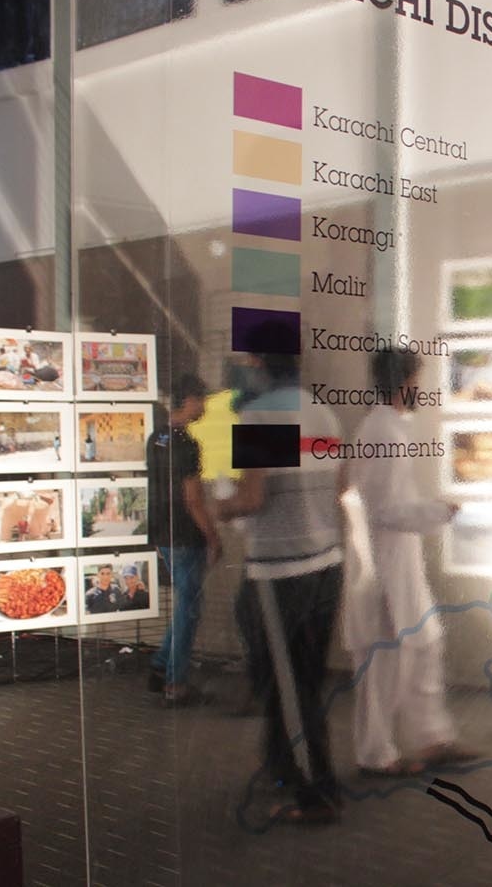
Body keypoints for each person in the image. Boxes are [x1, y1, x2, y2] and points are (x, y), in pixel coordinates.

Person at [218, 321, 344, 824]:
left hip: (279, 572)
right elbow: (338, 490)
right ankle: (284, 771)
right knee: (304, 682)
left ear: (258, 362)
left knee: (286, 686)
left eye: (245, 360)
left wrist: (214, 507)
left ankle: (317, 793)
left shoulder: (259, 415)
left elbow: (251, 497)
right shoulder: (323, 412)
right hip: (325, 565)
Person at [339, 349, 472, 777]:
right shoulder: (382, 431)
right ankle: (376, 754)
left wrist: (431, 511)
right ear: (404, 382)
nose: (422, 388)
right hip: (381, 567)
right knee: (384, 663)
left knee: (423, 644)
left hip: (396, 563)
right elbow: (384, 510)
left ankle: (430, 738)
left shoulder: (389, 428)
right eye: (418, 378)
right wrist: (436, 512)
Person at [146, 373, 221, 707]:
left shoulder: (157, 436)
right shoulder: (187, 444)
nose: (204, 405)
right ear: (188, 400)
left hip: (162, 532)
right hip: (186, 536)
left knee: (183, 605)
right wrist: (213, 536)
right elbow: (193, 500)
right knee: (189, 610)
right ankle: (175, 684)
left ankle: (161, 666)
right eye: (201, 399)